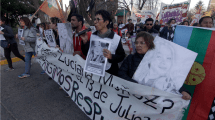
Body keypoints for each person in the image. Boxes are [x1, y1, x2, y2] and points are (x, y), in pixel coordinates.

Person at [118, 31, 191, 100]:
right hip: (132, 96)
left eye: (142, 43)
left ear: (149, 44)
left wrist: (183, 91)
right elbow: (121, 73)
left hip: (152, 101)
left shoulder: (157, 60)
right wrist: (136, 85)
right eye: (136, 42)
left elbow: (169, 79)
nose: (138, 45)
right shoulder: (131, 58)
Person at [81, 10, 126, 76]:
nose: (95, 22)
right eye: (95, 19)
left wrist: (111, 57)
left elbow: (122, 56)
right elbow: (87, 53)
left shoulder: (116, 38)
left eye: (98, 19)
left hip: (109, 74)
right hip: (94, 72)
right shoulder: (93, 36)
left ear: (106, 22)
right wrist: (85, 42)